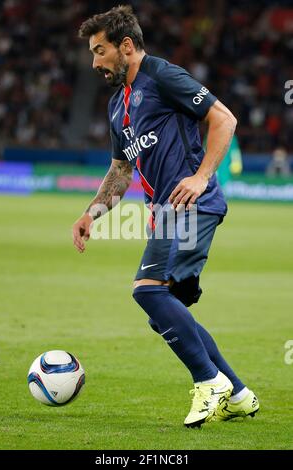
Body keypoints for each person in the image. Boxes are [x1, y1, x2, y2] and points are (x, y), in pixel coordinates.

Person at [72, 5, 259, 428]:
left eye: (99, 51)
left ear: (126, 46)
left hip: (192, 205)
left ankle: (209, 382)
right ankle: (239, 393)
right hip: (166, 214)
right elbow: (121, 171)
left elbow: (223, 118)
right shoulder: (117, 107)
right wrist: (92, 214)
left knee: (147, 291)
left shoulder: (162, 76)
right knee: (165, 310)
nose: (94, 62)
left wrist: (200, 176)